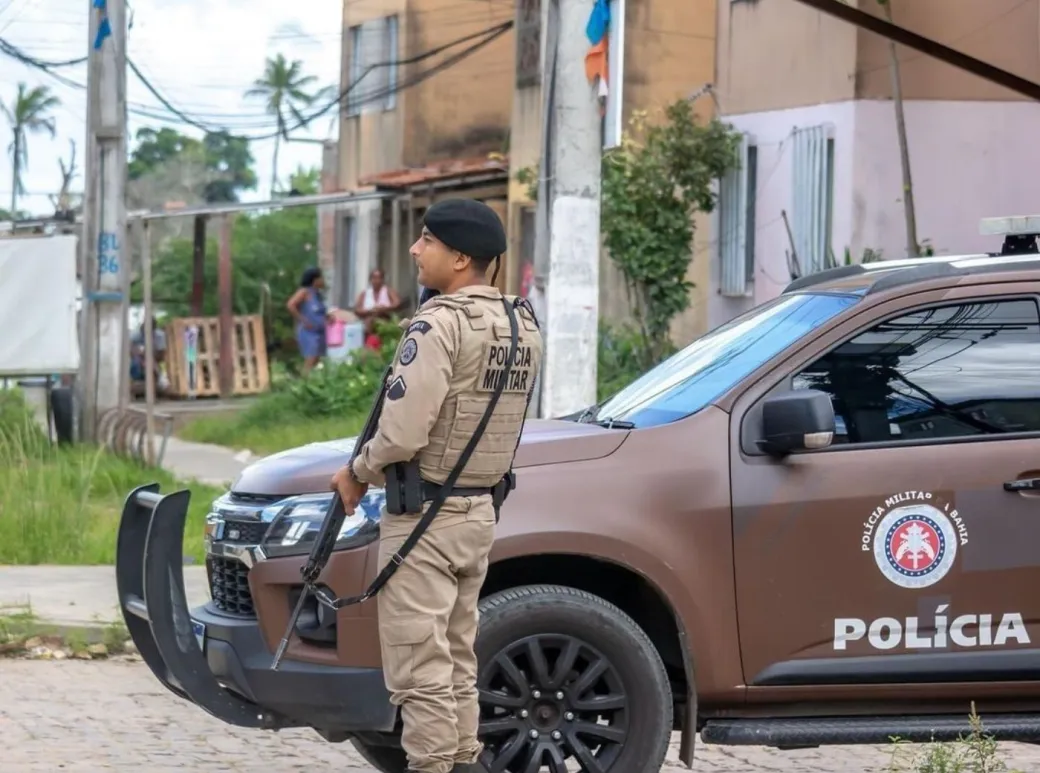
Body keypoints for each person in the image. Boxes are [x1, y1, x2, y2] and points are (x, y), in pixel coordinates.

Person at [330, 199, 543, 773]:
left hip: (424, 519)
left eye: (427, 241)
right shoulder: (521, 323)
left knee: (420, 676)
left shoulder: (438, 324)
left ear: (461, 257)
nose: (414, 249)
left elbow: (401, 435)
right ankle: (465, 763)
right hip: (478, 513)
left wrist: (355, 473)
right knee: (455, 664)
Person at [287, 266, 330, 375]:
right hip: (308, 332)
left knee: (316, 361)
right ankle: (303, 385)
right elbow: (290, 305)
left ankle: (311, 386)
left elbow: (319, 311)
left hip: (319, 332)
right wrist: (303, 320)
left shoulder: (317, 294)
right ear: (314, 280)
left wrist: (328, 317)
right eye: (321, 278)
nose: (323, 280)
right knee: (310, 360)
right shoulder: (304, 292)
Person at [354, 267, 401, 346]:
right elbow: (357, 309)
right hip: (369, 328)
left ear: (383, 279)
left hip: (385, 326)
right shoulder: (365, 293)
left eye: (379, 278)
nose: (376, 281)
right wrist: (370, 311)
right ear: (370, 279)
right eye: (374, 278)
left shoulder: (388, 291)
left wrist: (384, 309)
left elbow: (397, 303)